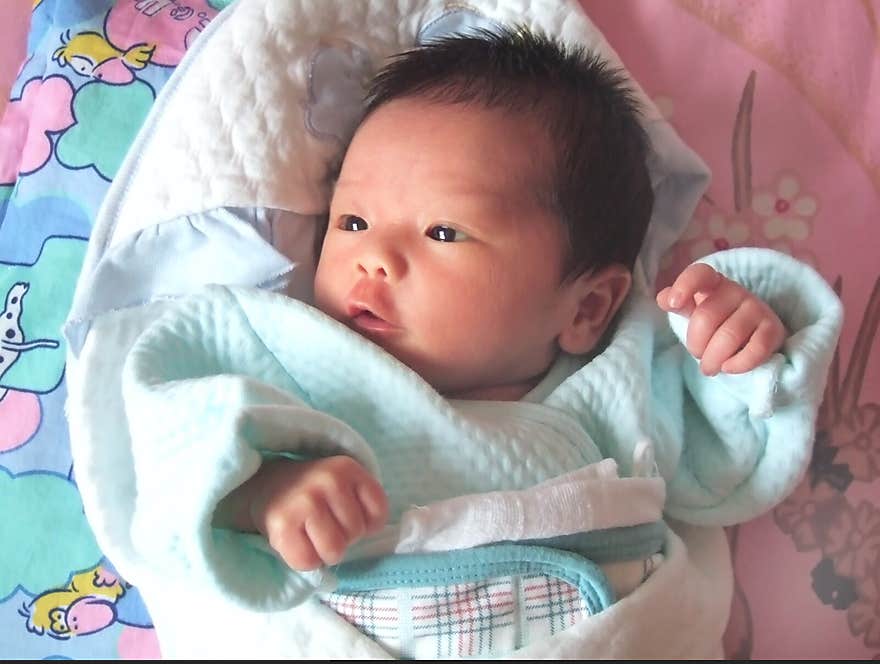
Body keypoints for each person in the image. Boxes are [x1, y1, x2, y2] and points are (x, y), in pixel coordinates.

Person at [214, 29, 791, 578]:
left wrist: (737, 353)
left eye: (443, 232)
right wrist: (262, 494)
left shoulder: (622, 382)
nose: (374, 258)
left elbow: (728, 457)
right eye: (354, 221)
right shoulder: (290, 365)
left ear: (586, 309)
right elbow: (173, 454)